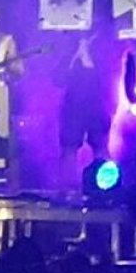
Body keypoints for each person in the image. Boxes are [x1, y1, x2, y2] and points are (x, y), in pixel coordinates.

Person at [54, 33, 110, 192]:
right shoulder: (67, 48)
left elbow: (103, 77)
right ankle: (67, 188)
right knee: (69, 149)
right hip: (72, 107)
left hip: (96, 105)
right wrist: (75, 54)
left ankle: (105, 187)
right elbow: (58, 79)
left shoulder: (101, 45)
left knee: (100, 148)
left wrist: (86, 55)